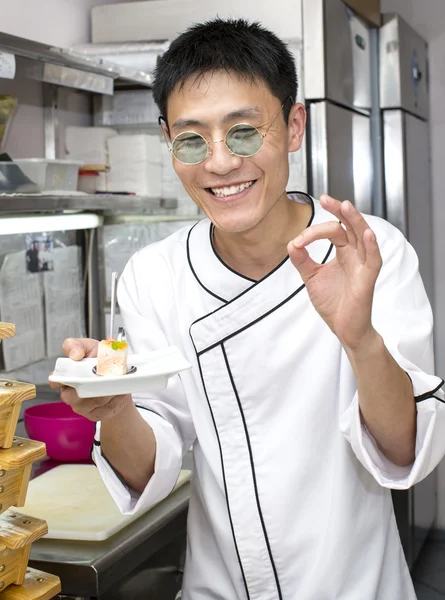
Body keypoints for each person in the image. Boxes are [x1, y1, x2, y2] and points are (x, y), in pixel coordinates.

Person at [51, 19, 445, 599]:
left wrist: (360, 338)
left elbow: (405, 450)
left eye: (242, 132)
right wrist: (113, 410)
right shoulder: (154, 277)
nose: (219, 164)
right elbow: (149, 464)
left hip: (358, 586)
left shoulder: (368, 252)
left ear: (292, 126)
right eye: (191, 140)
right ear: (168, 141)